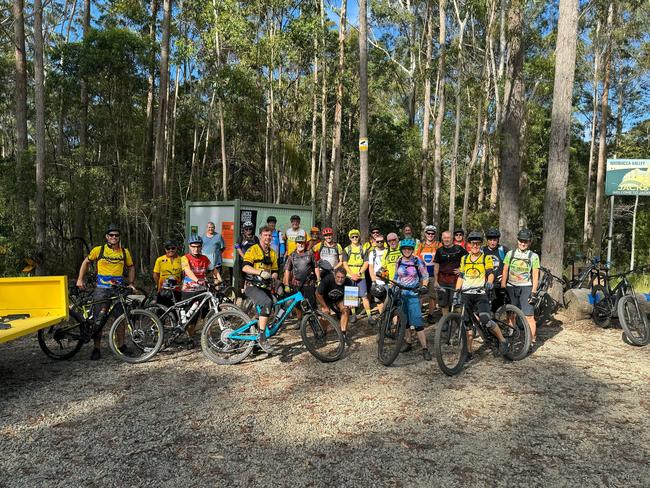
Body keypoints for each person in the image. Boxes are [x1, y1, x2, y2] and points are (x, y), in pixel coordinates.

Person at [76, 224, 135, 360]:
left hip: (118, 290)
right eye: (111, 235)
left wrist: (131, 283)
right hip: (102, 289)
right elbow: (86, 262)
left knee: (121, 318)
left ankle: (121, 346)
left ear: (119, 237)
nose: (114, 237)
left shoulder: (124, 252)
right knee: (98, 320)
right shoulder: (99, 250)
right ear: (107, 237)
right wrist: (80, 279)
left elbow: (131, 267)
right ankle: (96, 348)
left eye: (116, 235)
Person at [456, 231, 508, 359]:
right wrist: (456, 291)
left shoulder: (486, 258)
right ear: (469, 245)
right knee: (467, 323)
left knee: (485, 319)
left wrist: (490, 282)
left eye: (478, 244)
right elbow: (461, 276)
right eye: (473, 244)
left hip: (480, 293)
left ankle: (503, 340)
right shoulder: (464, 259)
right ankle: (468, 352)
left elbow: (490, 273)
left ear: (480, 245)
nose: (475, 246)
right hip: (467, 294)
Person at [242, 225, 280, 354]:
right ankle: (262, 338)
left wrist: (273, 277)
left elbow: (275, 271)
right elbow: (245, 268)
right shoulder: (252, 250)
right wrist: (260, 272)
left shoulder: (273, 253)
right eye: (265, 235)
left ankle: (254, 343)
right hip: (251, 286)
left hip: (266, 287)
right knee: (267, 303)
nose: (268, 237)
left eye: (270, 235)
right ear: (260, 236)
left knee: (274, 305)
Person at [501, 228, 540, 349]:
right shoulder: (510, 254)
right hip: (511, 287)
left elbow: (535, 274)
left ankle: (532, 341)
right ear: (517, 240)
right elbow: (505, 270)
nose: (523, 243)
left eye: (526, 241)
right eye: (521, 240)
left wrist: (534, 291)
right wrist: (503, 285)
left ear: (529, 242)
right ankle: (511, 334)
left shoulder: (534, 256)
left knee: (529, 316)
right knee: (511, 314)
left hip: (526, 287)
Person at [394, 238, 432, 361]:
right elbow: (396, 276)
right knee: (405, 321)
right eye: (405, 248)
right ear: (401, 250)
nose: (407, 250)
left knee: (417, 323)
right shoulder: (399, 260)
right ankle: (408, 342)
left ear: (412, 250)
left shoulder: (417, 261)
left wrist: (425, 286)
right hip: (401, 294)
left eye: (409, 249)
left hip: (413, 294)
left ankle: (425, 348)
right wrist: (392, 285)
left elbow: (425, 276)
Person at [181, 235, 219, 344]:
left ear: (201, 247)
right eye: (193, 247)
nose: (196, 249)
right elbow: (187, 270)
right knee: (191, 318)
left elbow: (213, 269)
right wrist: (197, 280)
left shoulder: (204, 258)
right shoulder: (185, 258)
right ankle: (190, 338)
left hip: (203, 290)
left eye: (198, 247)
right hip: (189, 291)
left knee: (207, 315)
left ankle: (209, 338)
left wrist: (219, 279)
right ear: (189, 246)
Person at [343, 229, 374, 325]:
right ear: (350, 238)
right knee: (351, 296)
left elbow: (366, 263)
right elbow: (344, 263)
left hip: (361, 276)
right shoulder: (347, 249)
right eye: (352, 237)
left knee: (364, 297)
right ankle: (353, 315)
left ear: (359, 237)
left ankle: (369, 316)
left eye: (356, 236)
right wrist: (352, 274)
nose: (355, 238)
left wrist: (359, 273)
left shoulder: (363, 249)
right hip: (350, 276)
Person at [283, 235, 319, 318]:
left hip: (309, 283)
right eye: (299, 243)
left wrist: (319, 279)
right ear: (296, 244)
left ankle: (314, 320)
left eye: (302, 242)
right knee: (298, 304)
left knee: (312, 302)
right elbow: (287, 270)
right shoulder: (292, 256)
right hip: (297, 284)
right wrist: (286, 284)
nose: (301, 244)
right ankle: (300, 321)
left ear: (305, 243)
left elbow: (316, 267)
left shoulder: (310, 253)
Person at [433, 231, 468, 315]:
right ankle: (445, 322)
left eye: (448, 237)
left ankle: (457, 322)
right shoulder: (439, 251)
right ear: (442, 238)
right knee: (443, 302)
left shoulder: (459, 249)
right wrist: (435, 280)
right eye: (445, 238)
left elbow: (469, 260)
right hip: (442, 279)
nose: (446, 239)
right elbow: (436, 266)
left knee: (455, 302)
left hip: (455, 279)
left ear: (452, 238)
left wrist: (461, 269)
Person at [316, 267, 353, 344]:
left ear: (345, 277)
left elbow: (351, 297)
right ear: (334, 275)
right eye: (338, 277)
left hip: (339, 299)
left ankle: (343, 334)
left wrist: (350, 303)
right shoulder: (327, 279)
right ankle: (323, 332)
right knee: (325, 313)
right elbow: (318, 294)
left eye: (342, 277)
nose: (340, 279)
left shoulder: (349, 281)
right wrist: (324, 306)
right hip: (326, 299)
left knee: (346, 310)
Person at [416, 225, 442, 323]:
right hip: (422, 275)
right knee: (421, 295)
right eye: (428, 233)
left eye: (432, 233)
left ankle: (430, 315)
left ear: (435, 235)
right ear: (425, 234)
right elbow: (417, 259)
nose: (430, 235)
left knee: (432, 296)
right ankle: (418, 315)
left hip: (433, 275)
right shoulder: (421, 245)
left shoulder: (438, 245)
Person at [482, 228, 509, 312]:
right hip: (485, 283)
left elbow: (509, 266)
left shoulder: (503, 250)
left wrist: (505, 279)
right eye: (490, 240)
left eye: (495, 240)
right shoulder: (482, 250)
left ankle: (495, 323)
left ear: (498, 240)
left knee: (496, 308)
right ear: (487, 240)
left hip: (499, 283)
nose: (492, 242)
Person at [152, 239, 182, 306]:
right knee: (161, 310)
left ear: (176, 248)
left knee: (176, 311)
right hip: (163, 290)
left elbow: (183, 274)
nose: (170, 250)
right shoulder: (159, 260)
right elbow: (155, 275)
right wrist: (159, 285)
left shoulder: (181, 259)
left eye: (173, 248)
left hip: (177, 290)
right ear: (165, 249)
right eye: (168, 248)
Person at [235, 221, 260, 292]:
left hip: (253, 261)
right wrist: (244, 257)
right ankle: (242, 293)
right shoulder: (241, 238)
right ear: (244, 230)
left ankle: (253, 291)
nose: (248, 231)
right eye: (246, 229)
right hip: (243, 260)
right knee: (242, 277)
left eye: (250, 229)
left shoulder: (255, 238)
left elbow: (258, 248)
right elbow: (238, 248)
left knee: (252, 275)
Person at [367, 234, 387, 313]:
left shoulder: (387, 251)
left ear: (384, 241)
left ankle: (389, 317)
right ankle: (382, 317)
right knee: (378, 301)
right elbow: (371, 267)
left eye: (381, 241)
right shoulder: (372, 253)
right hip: (377, 281)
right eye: (377, 241)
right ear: (375, 242)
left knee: (388, 300)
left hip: (387, 280)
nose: (379, 243)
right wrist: (373, 281)